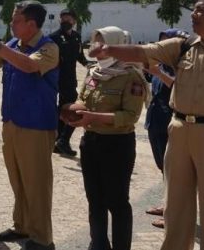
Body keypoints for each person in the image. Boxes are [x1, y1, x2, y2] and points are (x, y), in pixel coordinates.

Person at [88, 0, 204, 250]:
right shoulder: (183, 46)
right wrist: (110, 49)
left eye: (202, 10)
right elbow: (143, 52)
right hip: (180, 129)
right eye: (194, 8)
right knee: (176, 203)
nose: (194, 14)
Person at [0, 0, 58, 250]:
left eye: (16, 20)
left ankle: (41, 239)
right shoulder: (14, 45)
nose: (11, 24)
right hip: (12, 122)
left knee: (37, 183)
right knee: (18, 180)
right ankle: (22, 226)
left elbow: (29, 65)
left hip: (36, 125)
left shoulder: (48, 47)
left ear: (31, 24)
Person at [63, 26, 147, 250]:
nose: (95, 47)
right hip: (91, 143)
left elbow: (130, 117)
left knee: (117, 203)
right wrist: (73, 111)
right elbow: (83, 98)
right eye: (94, 42)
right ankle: (98, 244)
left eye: (102, 43)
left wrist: (92, 116)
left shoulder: (131, 75)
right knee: (95, 201)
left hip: (117, 145)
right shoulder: (93, 72)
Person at [142, 28, 189, 229]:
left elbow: (179, 89)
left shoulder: (183, 66)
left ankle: (175, 216)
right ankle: (168, 206)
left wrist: (158, 73)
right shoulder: (160, 65)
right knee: (164, 168)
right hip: (156, 121)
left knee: (175, 172)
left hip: (171, 123)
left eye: (165, 44)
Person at [50, 8, 90, 156]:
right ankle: (63, 140)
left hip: (70, 78)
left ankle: (59, 141)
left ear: (74, 21)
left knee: (64, 109)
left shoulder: (76, 37)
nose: (65, 21)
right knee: (73, 109)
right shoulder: (53, 37)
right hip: (56, 78)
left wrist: (87, 64)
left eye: (68, 19)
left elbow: (79, 55)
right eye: (63, 19)